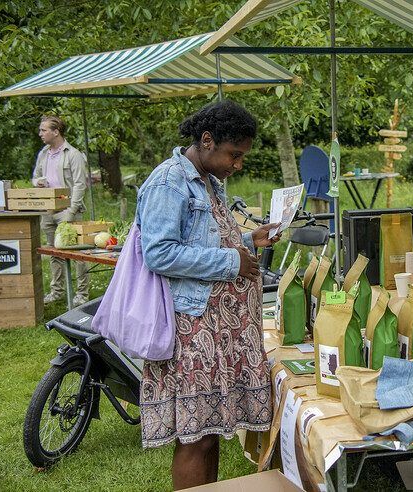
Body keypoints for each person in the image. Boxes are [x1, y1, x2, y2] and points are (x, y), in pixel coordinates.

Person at [136, 100, 281, 490]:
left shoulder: (207, 182)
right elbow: (160, 252)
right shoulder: (169, 182)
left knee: (210, 428)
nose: (238, 165)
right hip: (192, 332)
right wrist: (232, 263)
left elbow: (209, 238)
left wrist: (250, 238)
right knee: (195, 438)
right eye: (234, 155)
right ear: (206, 141)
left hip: (216, 332)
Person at [32, 115, 90, 306]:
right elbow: (35, 177)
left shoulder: (73, 154)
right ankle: (57, 291)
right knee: (54, 252)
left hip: (68, 210)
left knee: (77, 254)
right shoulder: (44, 153)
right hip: (48, 210)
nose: (40, 133)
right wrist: (37, 182)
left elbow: (81, 185)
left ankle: (82, 294)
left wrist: (72, 211)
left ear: (56, 132)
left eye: (44, 130)